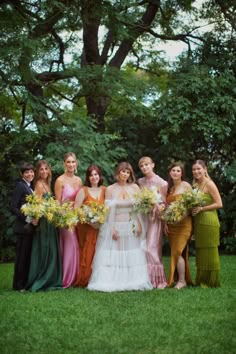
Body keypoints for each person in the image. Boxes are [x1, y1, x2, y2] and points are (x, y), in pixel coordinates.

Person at [88, 162, 152, 292]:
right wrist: (111, 228)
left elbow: (138, 209)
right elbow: (107, 211)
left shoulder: (135, 188)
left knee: (131, 253)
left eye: (128, 172)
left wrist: (139, 224)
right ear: (118, 172)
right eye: (123, 171)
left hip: (132, 225)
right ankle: (115, 280)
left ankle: (131, 280)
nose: (125, 174)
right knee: (115, 254)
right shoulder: (111, 189)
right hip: (116, 224)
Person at [26, 160, 62, 291]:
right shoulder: (39, 185)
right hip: (43, 223)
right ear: (37, 171)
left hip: (50, 221)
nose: (44, 171)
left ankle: (50, 278)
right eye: (41, 169)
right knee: (44, 248)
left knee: (50, 249)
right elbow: (37, 205)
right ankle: (42, 278)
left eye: (46, 169)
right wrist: (35, 219)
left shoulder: (47, 184)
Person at [192, 159, 222, 287]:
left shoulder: (209, 184)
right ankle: (201, 280)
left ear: (205, 169)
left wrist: (202, 209)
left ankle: (211, 281)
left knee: (210, 250)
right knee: (201, 251)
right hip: (199, 221)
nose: (196, 171)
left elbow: (219, 203)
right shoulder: (195, 185)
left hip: (209, 220)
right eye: (194, 169)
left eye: (199, 169)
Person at [74, 165, 106, 287]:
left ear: (99, 175)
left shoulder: (104, 190)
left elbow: (108, 208)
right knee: (88, 252)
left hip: (101, 228)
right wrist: (89, 221)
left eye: (96, 174)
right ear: (88, 177)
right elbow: (76, 209)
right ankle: (86, 278)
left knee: (100, 252)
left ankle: (99, 277)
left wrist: (100, 220)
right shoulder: (83, 190)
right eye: (91, 175)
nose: (94, 177)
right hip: (87, 227)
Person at [138, 156, 167, 289]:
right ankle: (145, 278)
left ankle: (158, 280)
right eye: (142, 166)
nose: (144, 167)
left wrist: (157, 207)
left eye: (147, 165)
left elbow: (164, 203)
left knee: (152, 248)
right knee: (142, 247)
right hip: (144, 217)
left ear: (153, 165)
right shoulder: (141, 182)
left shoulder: (162, 183)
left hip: (155, 218)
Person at [54, 152, 82, 288]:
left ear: (76, 163)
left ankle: (77, 277)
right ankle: (67, 279)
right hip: (65, 218)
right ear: (64, 164)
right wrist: (63, 217)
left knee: (77, 245)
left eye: (73, 162)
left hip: (76, 217)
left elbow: (80, 200)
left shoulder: (79, 180)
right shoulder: (60, 180)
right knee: (71, 245)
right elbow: (57, 203)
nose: (71, 164)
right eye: (68, 162)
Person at [165, 162, 193, 289]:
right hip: (172, 225)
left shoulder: (186, 185)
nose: (175, 173)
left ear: (182, 173)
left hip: (184, 223)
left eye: (178, 171)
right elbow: (166, 208)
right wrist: (166, 222)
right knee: (176, 251)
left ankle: (182, 281)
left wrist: (180, 217)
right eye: (173, 170)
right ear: (170, 173)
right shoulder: (170, 188)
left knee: (177, 251)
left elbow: (191, 205)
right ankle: (180, 278)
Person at [11, 162, 36, 292]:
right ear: (22, 174)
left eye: (31, 171)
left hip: (29, 228)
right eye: (27, 172)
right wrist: (27, 219)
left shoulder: (30, 187)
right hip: (23, 227)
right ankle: (19, 285)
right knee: (21, 257)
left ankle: (23, 283)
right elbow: (14, 207)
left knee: (26, 256)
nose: (30, 174)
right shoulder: (20, 186)